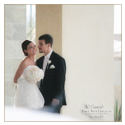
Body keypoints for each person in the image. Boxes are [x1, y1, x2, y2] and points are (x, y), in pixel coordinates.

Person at [36, 34, 66, 113]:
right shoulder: (39, 61)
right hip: (42, 99)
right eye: (38, 43)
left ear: (48, 45)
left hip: (54, 99)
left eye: (41, 44)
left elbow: (61, 80)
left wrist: (56, 98)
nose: (38, 46)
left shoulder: (59, 60)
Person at [13, 40, 44, 109]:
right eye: (31, 47)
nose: (34, 48)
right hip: (26, 92)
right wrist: (28, 79)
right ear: (25, 51)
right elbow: (15, 79)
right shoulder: (25, 62)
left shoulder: (36, 62)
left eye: (34, 46)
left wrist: (35, 78)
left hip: (35, 91)